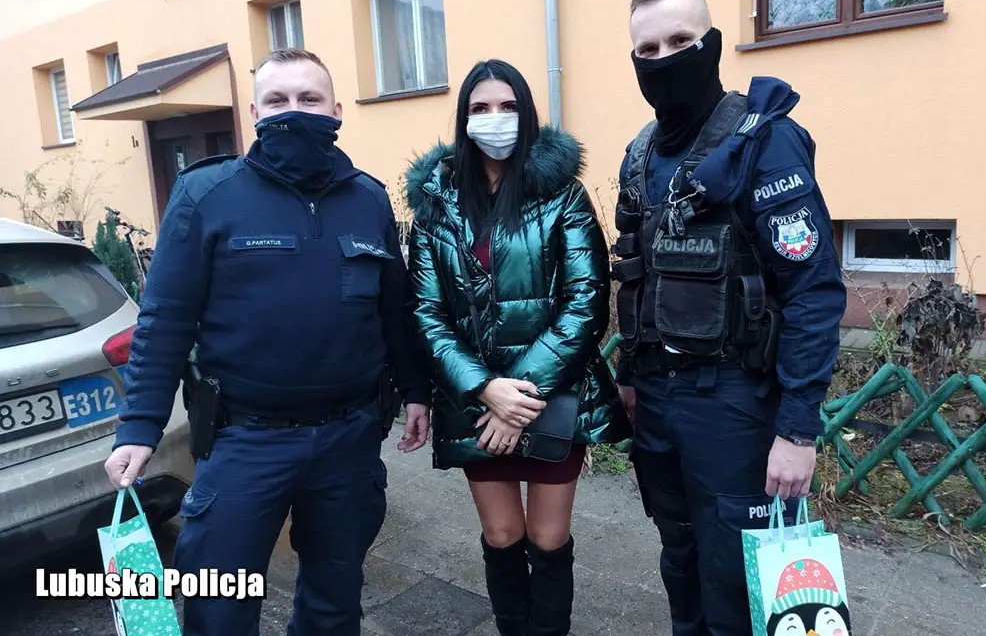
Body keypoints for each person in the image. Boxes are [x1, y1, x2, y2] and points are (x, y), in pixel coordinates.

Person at [102, 48, 430, 636]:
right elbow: (166, 319)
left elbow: (394, 309)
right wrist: (140, 427)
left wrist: (416, 390)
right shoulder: (207, 195)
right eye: (277, 100)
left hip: (349, 440)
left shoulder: (369, 199)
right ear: (254, 113)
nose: (293, 111)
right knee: (220, 607)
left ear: (336, 111)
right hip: (244, 440)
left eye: (309, 99)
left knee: (334, 604)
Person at [611, 0, 847, 636]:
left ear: (712, 44)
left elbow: (813, 291)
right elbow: (636, 277)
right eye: (648, 49)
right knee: (680, 559)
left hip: (734, 402)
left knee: (739, 581)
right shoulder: (639, 156)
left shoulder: (763, 141)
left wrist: (797, 431)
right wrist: (629, 376)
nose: (664, 59)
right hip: (656, 400)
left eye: (680, 40)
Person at [404, 59, 631, 636]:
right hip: (476, 403)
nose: (495, 118)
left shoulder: (562, 195)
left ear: (526, 114)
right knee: (502, 535)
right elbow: (427, 314)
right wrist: (486, 390)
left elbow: (586, 303)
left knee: (548, 538)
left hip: (551, 395)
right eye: (480, 108)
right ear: (463, 119)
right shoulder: (436, 203)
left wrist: (517, 398)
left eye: (507, 106)